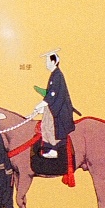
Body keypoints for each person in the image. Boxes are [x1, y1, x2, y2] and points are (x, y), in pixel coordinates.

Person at [34, 50, 77, 186]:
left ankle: (53, 148)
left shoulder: (58, 75)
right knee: (44, 124)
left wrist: (42, 104)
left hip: (60, 109)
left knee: (49, 125)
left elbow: (53, 94)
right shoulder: (54, 75)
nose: (46, 64)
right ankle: (49, 147)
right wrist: (43, 106)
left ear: (54, 61)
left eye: (47, 61)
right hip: (54, 106)